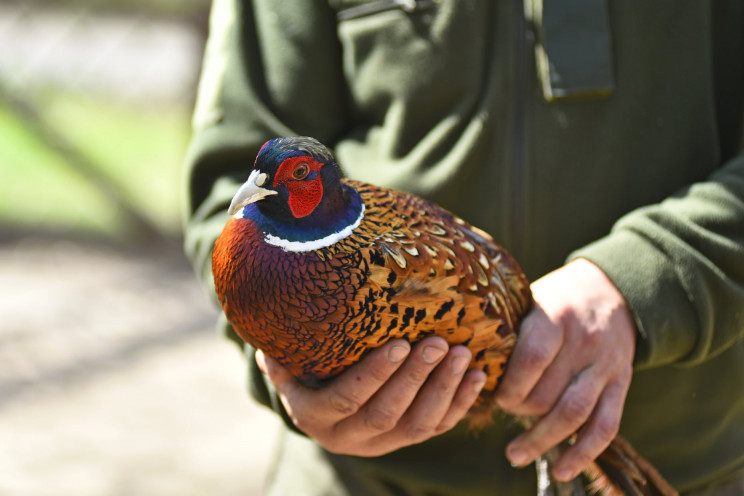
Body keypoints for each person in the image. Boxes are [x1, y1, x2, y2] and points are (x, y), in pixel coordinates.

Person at [183, 1, 744, 494]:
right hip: (355, 478)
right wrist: (291, 374)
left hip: (680, 461)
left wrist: (649, 278)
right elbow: (232, 184)